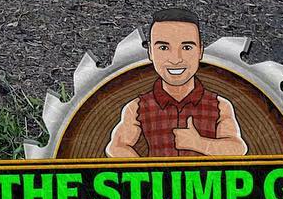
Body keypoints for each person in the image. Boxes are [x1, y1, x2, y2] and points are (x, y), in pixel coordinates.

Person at [105, 17, 248, 159]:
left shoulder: (219, 105)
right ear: (150, 52)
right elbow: (116, 147)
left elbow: (237, 148)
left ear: (200, 51)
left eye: (187, 47)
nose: (175, 59)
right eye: (163, 48)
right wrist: (149, 174)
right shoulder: (137, 106)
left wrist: (198, 143)